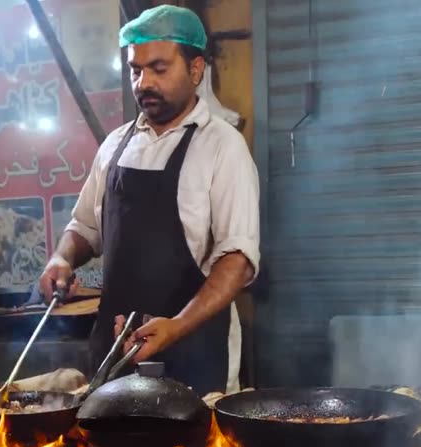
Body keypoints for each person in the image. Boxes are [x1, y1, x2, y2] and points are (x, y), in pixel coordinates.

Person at [38, 5, 259, 395]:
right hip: (115, 352)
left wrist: (175, 325)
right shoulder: (115, 146)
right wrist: (62, 257)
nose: (143, 83)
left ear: (195, 69)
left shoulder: (223, 147)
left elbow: (237, 261)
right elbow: (86, 228)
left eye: (159, 69)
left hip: (194, 355)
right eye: (136, 70)